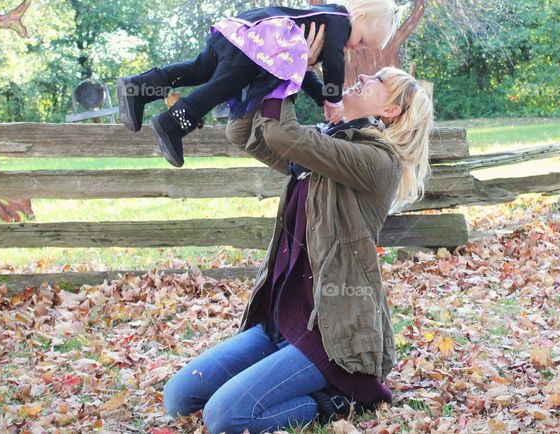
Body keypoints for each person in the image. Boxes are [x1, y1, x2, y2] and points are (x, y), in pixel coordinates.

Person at [158, 28, 434, 434]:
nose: (362, 77)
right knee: (180, 397)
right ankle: (286, 367)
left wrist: (288, 65)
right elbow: (246, 135)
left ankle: (340, 398)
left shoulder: (378, 162)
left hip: (330, 335)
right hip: (282, 320)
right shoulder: (327, 144)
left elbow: (282, 133)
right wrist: (254, 72)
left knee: (225, 418)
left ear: (391, 110)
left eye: (377, 80)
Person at [115, 0, 400, 167]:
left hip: (239, 30)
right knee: (221, 87)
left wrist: (320, 99)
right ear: (359, 17)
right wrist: (333, 100)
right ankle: (171, 124)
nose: (354, 47)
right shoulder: (338, 20)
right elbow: (334, 65)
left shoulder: (318, 17)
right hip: (250, 47)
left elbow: (300, 72)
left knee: (199, 69)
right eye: (362, 41)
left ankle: (137, 87)